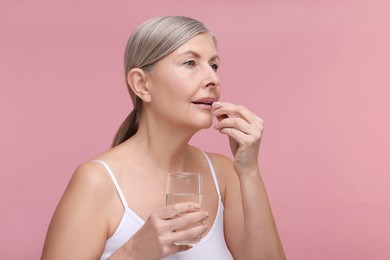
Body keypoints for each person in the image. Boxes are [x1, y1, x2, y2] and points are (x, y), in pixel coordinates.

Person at [41, 15, 285, 260]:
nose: (213, 79)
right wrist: (135, 252)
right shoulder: (96, 182)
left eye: (214, 65)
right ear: (142, 85)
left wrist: (249, 171)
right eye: (190, 63)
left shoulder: (224, 174)